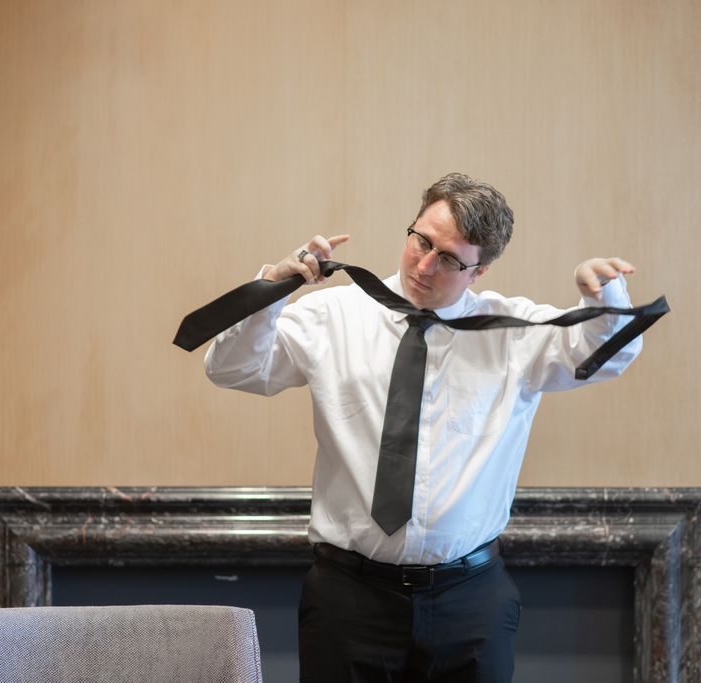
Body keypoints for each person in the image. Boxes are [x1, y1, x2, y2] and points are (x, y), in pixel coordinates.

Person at [204, 173, 642, 682]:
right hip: (348, 598)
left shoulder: (514, 333)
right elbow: (230, 367)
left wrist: (605, 298)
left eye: (451, 259)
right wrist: (273, 289)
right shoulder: (334, 315)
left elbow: (605, 354)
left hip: (469, 603)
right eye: (421, 241)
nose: (425, 265)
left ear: (480, 271)